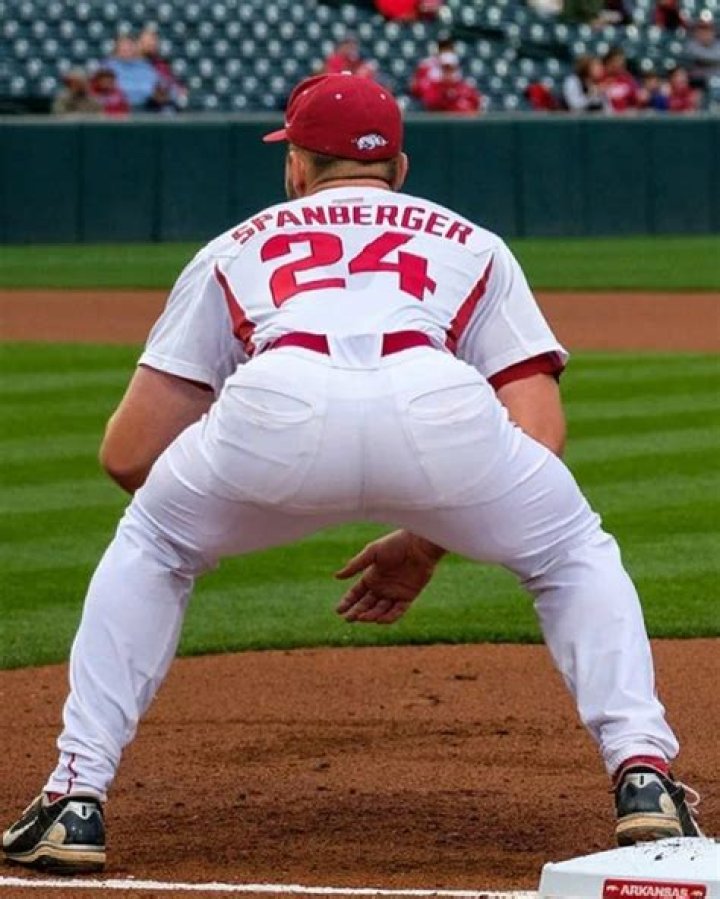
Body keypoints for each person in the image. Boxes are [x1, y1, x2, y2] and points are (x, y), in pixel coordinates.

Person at [2, 72, 701, 875]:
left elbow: (127, 453)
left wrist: (226, 508)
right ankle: (644, 774)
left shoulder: (235, 246)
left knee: (154, 542)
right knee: (571, 550)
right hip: (439, 403)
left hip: (277, 397)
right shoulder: (471, 242)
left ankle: (74, 796)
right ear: (399, 168)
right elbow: (539, 431)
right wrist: (434, 532)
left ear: (295, 165)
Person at [104, 33, 160, 108]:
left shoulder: (146, 66)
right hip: (116, 108)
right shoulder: (107, 66)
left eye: (129, 46)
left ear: (135, 48)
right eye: (123, 46)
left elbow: (154, 86)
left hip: (145, 107)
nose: (127, 49)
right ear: (117, 49)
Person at [684, 15, 720, 88]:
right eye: (702, 29)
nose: (706, 33)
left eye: (709, 30)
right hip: (698, 85)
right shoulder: (690, 45)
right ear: (696, 32)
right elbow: (699, 57)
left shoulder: (718, 44)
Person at [602, 46, 639, 111]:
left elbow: (637, 98)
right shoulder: (600, 76)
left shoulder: (627, 78)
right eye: (617, 61)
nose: (620, 63)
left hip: (624, 115)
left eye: (622, 61)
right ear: (608, 62)